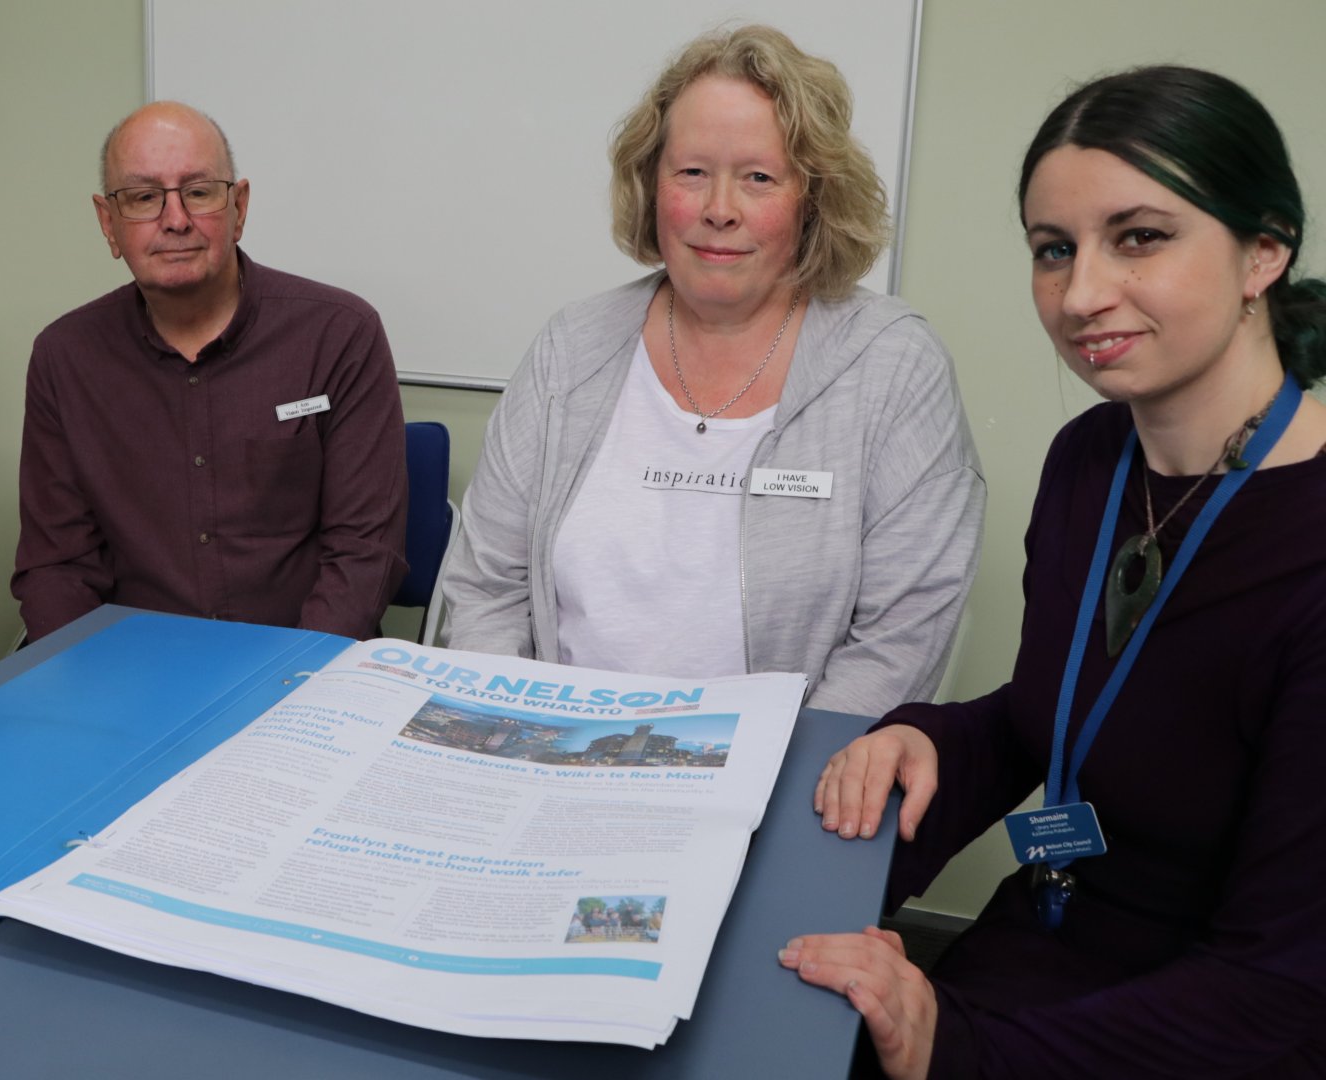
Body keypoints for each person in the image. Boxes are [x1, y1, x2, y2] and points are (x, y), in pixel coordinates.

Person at [790, 66, 1326, 1079]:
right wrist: (925, 736)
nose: (1081, 295)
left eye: (1140, 237)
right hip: (1042, 939)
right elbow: (1063, 710)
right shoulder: (1093, 458)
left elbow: (1284, 990)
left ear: (1264, 250)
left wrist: (957, 1044)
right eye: (1053, 250)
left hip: (1216, 1026)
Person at [438, 25, 982, 717]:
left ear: (812, 196)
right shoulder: (571, 348)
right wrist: (515, 734)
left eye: (758, 178)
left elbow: (901, 636)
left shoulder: (895, 368)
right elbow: (487, 588)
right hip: (550, 754)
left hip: (786, 779)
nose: (719, 210)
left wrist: (777, 786)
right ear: (651, 182)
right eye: (692, 173)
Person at [12, 102, 408, 643]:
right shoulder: (66, 357)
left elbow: (364, 555)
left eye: (198, 191)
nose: (175, 220)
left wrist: (289, 683)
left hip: (305, 670)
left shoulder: (340, 334)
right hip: (135, 674)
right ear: (108, 223)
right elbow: (58, 567)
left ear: (239, 207)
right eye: (144, 197)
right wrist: (87, 690)